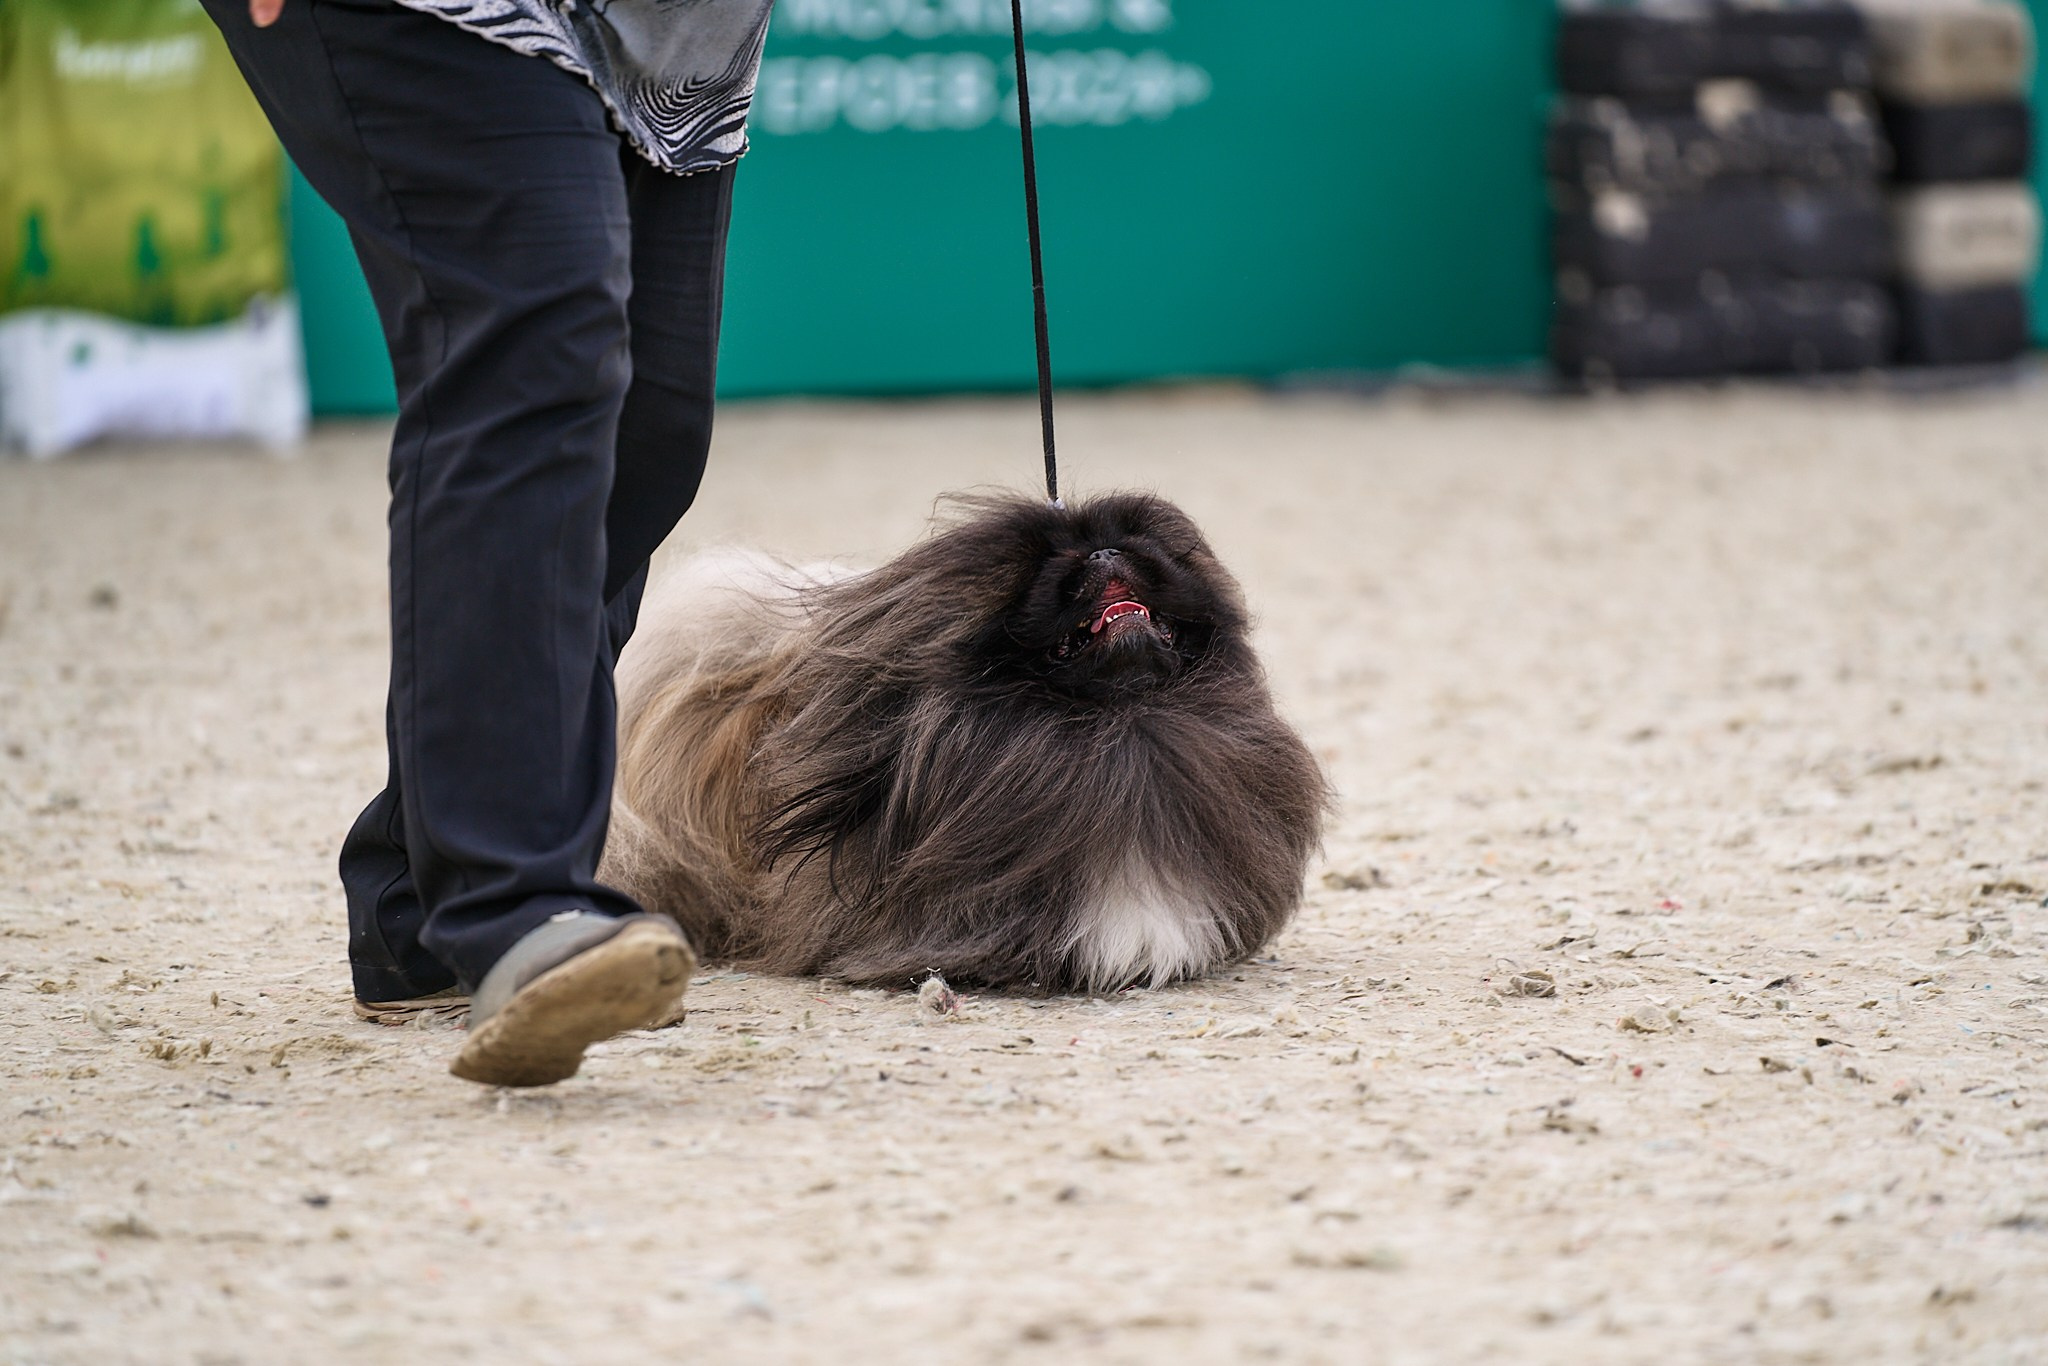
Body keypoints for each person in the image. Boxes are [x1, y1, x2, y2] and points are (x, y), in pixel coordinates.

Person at [201, 0, 778, 1086]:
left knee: (646, 429)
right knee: (533, 326)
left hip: (664, 37)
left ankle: (413, 904)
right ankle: (515, 902)